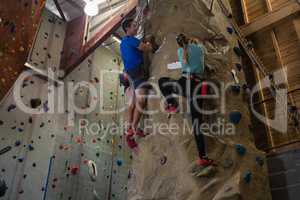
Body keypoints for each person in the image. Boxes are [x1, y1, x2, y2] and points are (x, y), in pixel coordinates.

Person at [158, 33, 214, 167]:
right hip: (197, 87)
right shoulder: (200, 49)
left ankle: (172, 104)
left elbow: (181, 64)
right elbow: (202, 64)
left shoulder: (180, 51)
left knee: (162, 81)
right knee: (197, 123)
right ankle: (202, 157)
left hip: (184, 84)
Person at [120, 18, 152, 149]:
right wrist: (149, 43)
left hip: (130, 74)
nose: (136, 27)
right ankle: (132, 129)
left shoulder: (122, 43)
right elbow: (146, 48)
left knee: (132, 103)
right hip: (137, 73)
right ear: (127, 28)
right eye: (134, 26)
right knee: (141, 101)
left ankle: (129, 127)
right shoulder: (131, 40)